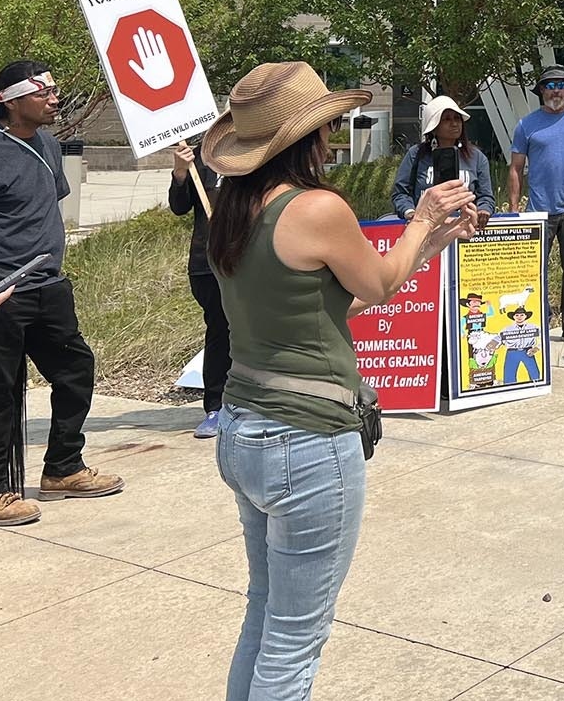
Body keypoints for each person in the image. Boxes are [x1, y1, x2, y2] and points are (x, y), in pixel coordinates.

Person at [203, 61, 476, 699]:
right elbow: (378, 284)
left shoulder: (236, 209)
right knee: (297, 641)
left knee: (266, 613)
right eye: (326, 126)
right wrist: (420, 218)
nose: (334, 137)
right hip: (307, 442)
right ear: (306, 139)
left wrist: (430, 242)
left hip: (245, 427)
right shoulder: (317, 207)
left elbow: (335, 302)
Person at [0, 61, 123, 529]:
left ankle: (63, 468)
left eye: (55, 88)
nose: (54, 98)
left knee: (75, 371)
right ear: (7, 101)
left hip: (49, 287)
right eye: (42, 91)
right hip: (1, 295)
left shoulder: (48, 144)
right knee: (0, 393)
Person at [508, 64, 564, 346]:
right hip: (538, 209)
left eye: (561, 85)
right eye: (550, 85)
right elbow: (515, 168)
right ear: (541, 91)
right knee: (535, 268)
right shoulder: (526, 125)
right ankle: (539, 322)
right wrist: (514, 207)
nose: (556, 91)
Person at [169, 140, 230, 439]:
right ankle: (216, 406)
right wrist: (180, 172)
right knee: (219, 330)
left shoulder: (259, 157)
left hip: (250, 259)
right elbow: (179, 207)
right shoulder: (202, 159)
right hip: (207, 263)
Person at [391, 95, 495, 226]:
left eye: (457, 118)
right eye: (447, 119)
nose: (454, 123)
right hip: (425, 228)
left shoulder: (476, 157)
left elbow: (486, 196)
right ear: (434, 127)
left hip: (463, 229)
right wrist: (410, 213)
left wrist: (483, 210)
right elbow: (400, 193)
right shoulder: (416, 154)